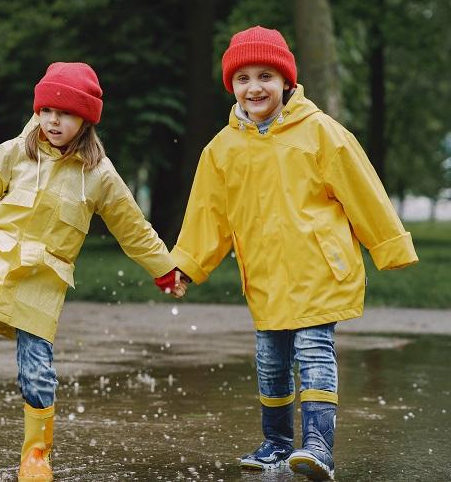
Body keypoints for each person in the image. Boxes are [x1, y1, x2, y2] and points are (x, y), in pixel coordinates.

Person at [0, 62, 185, 482]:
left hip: (45, 276)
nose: (53, 120)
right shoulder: (16, 151)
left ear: (87, 119)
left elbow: (133, 227)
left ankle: (36, 455)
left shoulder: (99, 175)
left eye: (65, 113)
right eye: (46, 110)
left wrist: (165, 270)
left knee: (37, 369)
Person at [170, 26, 418, 481]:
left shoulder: (320, 132)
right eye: (243, 78)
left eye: (266, 75)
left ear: (286, 81)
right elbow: (208, 215)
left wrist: (389, 245)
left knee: (314, 352)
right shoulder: (222, 150)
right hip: (264, 276)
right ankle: (277, 443)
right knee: (270, 361)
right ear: (232, 86)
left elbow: (362, 190)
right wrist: (186, 264)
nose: (255, 87)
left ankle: (318, 446)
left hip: (319, 269)